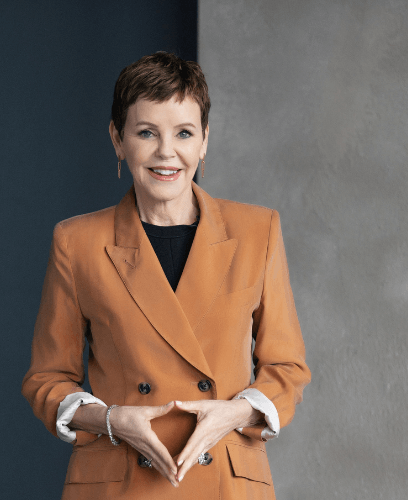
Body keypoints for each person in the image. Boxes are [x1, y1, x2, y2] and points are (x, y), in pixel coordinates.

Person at [21, 52, 310, 499]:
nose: (166, 152)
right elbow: (46, 379)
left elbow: (286, 367)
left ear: (205, 141)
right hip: (121, 482)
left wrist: (233, 414)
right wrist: (113, 421)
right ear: (118, 140)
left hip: (224, 483)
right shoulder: (76, 242)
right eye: (146, 133)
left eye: (183, 133)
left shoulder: (258, 231)